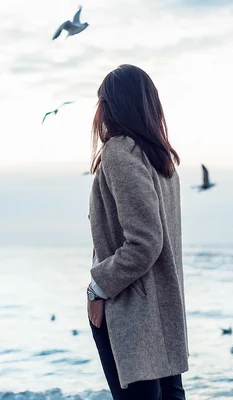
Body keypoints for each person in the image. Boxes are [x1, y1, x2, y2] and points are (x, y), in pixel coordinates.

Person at [86, 64, 189, 400]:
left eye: (100, 99)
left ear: (112, 105)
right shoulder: (162, 160)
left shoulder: (120, 151)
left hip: (133, 311)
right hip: (164, 311)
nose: (97, 109)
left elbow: (145, 243)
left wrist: (98, 287)